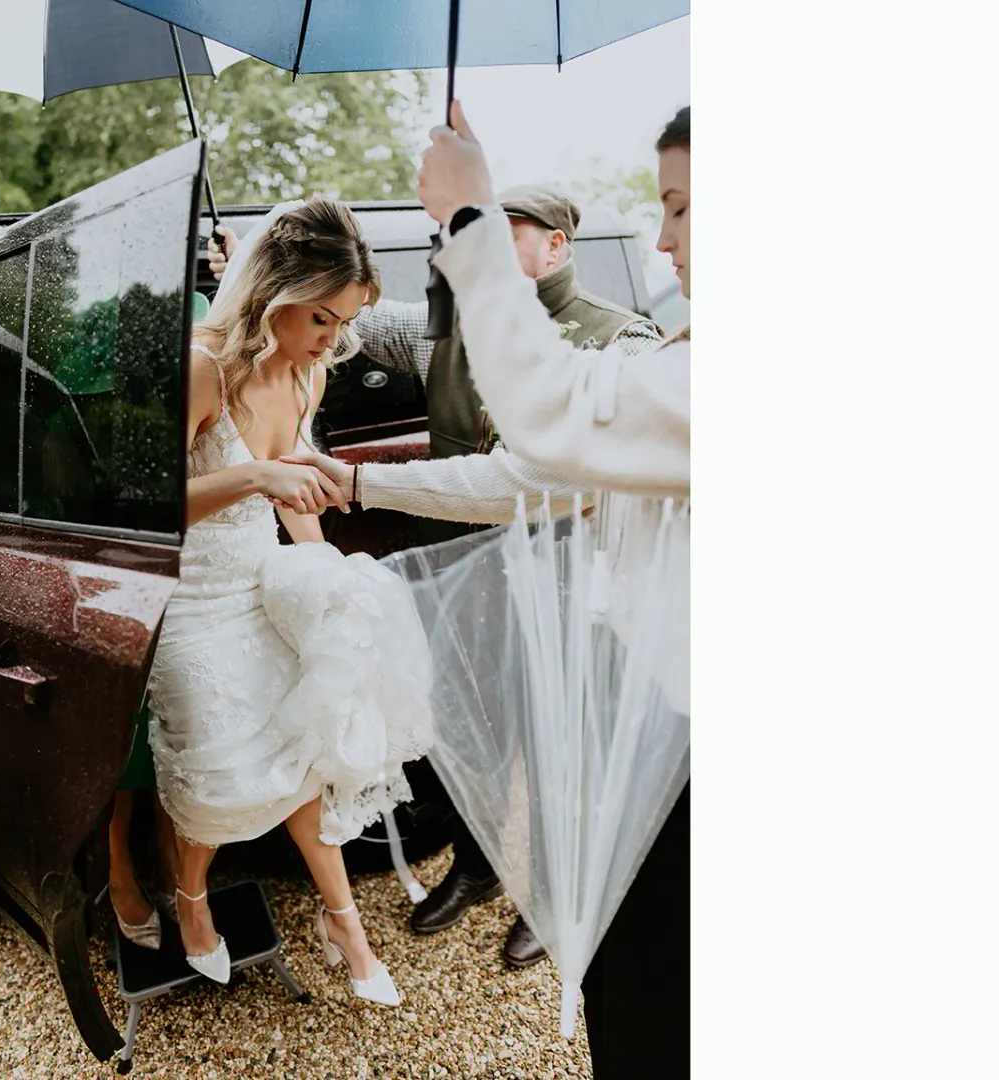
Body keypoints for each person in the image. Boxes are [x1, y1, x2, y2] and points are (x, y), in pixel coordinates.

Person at [284, 105, 692, 1078]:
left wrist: (468, 218)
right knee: (628, 986)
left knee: (660, 1001)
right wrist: (357, 483)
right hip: (650, 727)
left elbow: (551, 420)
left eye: (681, 207)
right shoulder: (685, 362)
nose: (665, 237)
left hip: (689, 753)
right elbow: (523, 473)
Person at [206, 185, 665, 968]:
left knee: (557, 743)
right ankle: (479, 868)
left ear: (556, 247)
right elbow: (324, 312)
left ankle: (550, 899)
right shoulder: (438, 330)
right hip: (458, 573)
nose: (474, 255)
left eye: (504, 236)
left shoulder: (622, 341)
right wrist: (246, 261)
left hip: (562, 585)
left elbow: (549, 470)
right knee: (462, 723)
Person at [146, 197, 433, 1008]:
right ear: (275, 292)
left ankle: (345, 921)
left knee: (308, 745)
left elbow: (296, 498)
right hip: (192, 601)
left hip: (261, 584)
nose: (330, 341)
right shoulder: (202, 366)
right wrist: (254, 475)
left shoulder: (305, 372)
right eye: (319, 318)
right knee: (220, 769)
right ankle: (193, 900)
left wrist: (323, 572)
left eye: (342, 323)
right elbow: (145, 508)